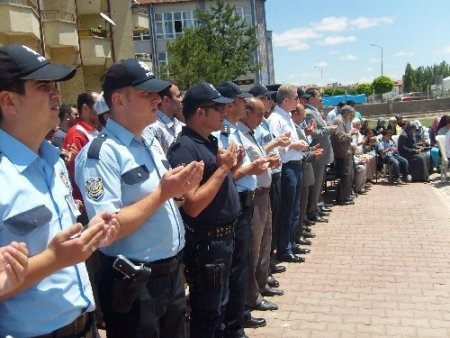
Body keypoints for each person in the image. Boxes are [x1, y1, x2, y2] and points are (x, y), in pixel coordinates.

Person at [75, 59, 203, 338]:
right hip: (135, 283)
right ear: (119, 101)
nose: (157, 99)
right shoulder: (101, 154)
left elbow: (165, 203)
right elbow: (106, 231)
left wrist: (180, 191)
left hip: (169, 275)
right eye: (147, 93)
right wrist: (162, 194)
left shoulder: (149, 141)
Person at [0, 43, 118, 337]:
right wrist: (54, 259)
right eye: (43, 86)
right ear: (8, 101)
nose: (57, 95)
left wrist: (91, 232)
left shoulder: (51, 159)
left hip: (82, 323)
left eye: (55, 86)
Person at [167, 82, 241, 337]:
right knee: (207, 314)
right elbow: (193, 205)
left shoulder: (207, 141)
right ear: (200, 112)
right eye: (218, 108)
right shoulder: (185, 149)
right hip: (208, 245)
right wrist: (223, 169)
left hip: (223, 239)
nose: (224, 112)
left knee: (219, 308)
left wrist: (229, 167)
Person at [214, 81, 270, 337]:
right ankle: (233, 325)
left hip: (245, 202)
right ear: (227, 105)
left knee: (241, 266)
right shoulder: (222, 133)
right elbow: (227, 175)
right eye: (239, 101)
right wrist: (252, 168)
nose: (243, 105)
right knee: (234, 270)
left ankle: (239, 318)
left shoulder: (234, 130)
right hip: (233, 204)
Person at [238, 97, 281, 313]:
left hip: (263, 193)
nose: (263, 118)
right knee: (252, 249)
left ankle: (261, 284)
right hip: (252, 196)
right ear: (246, 112)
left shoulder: (250, 133)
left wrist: (269, 161)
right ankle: (250, 295)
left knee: (265, 241)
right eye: (259, 114)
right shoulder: (238, 134)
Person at [268, 84, 309, 263]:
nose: (298, 101)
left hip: (296, 164)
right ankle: (284, 248)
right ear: (286, 100)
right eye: (295, 98)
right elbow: (276, 144)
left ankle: (291, 242)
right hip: (287, 167)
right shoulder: (275, 119)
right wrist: (295, 145)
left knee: (294, 208)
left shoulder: (286, 117)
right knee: (287, 209)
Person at [304, 88, 337, 223]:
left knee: (319, 184)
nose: (321, 99)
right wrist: (330, 129)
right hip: (317, 154)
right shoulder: (308, 113)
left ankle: (316, 207)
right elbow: (314, 133)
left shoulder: (315, 112)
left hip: (322, 154)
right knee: (316, 184)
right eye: (319, 96)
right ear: (311, 98)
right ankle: (312, 211)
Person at [63, 90, 100, 202]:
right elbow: (78, 175)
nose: (104, 109)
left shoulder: (94, 131)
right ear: (85, 109)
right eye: (99, 105)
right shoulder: (77, 135)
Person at [331, 105, 357, 204]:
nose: (352, 116)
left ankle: (345, 196)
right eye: (351, 114)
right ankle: (342, 198)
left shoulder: (342, 121)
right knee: (345, 176)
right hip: (342, 154)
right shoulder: (339, 121)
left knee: (349, 176)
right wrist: (351, 133)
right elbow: (339, 137)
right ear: (346, 113)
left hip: (345, 153)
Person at [149, 81, 184, 153]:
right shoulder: (153, 128)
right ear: (166, 100)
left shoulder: (178, 124)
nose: (182, 99)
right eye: (178, 96)